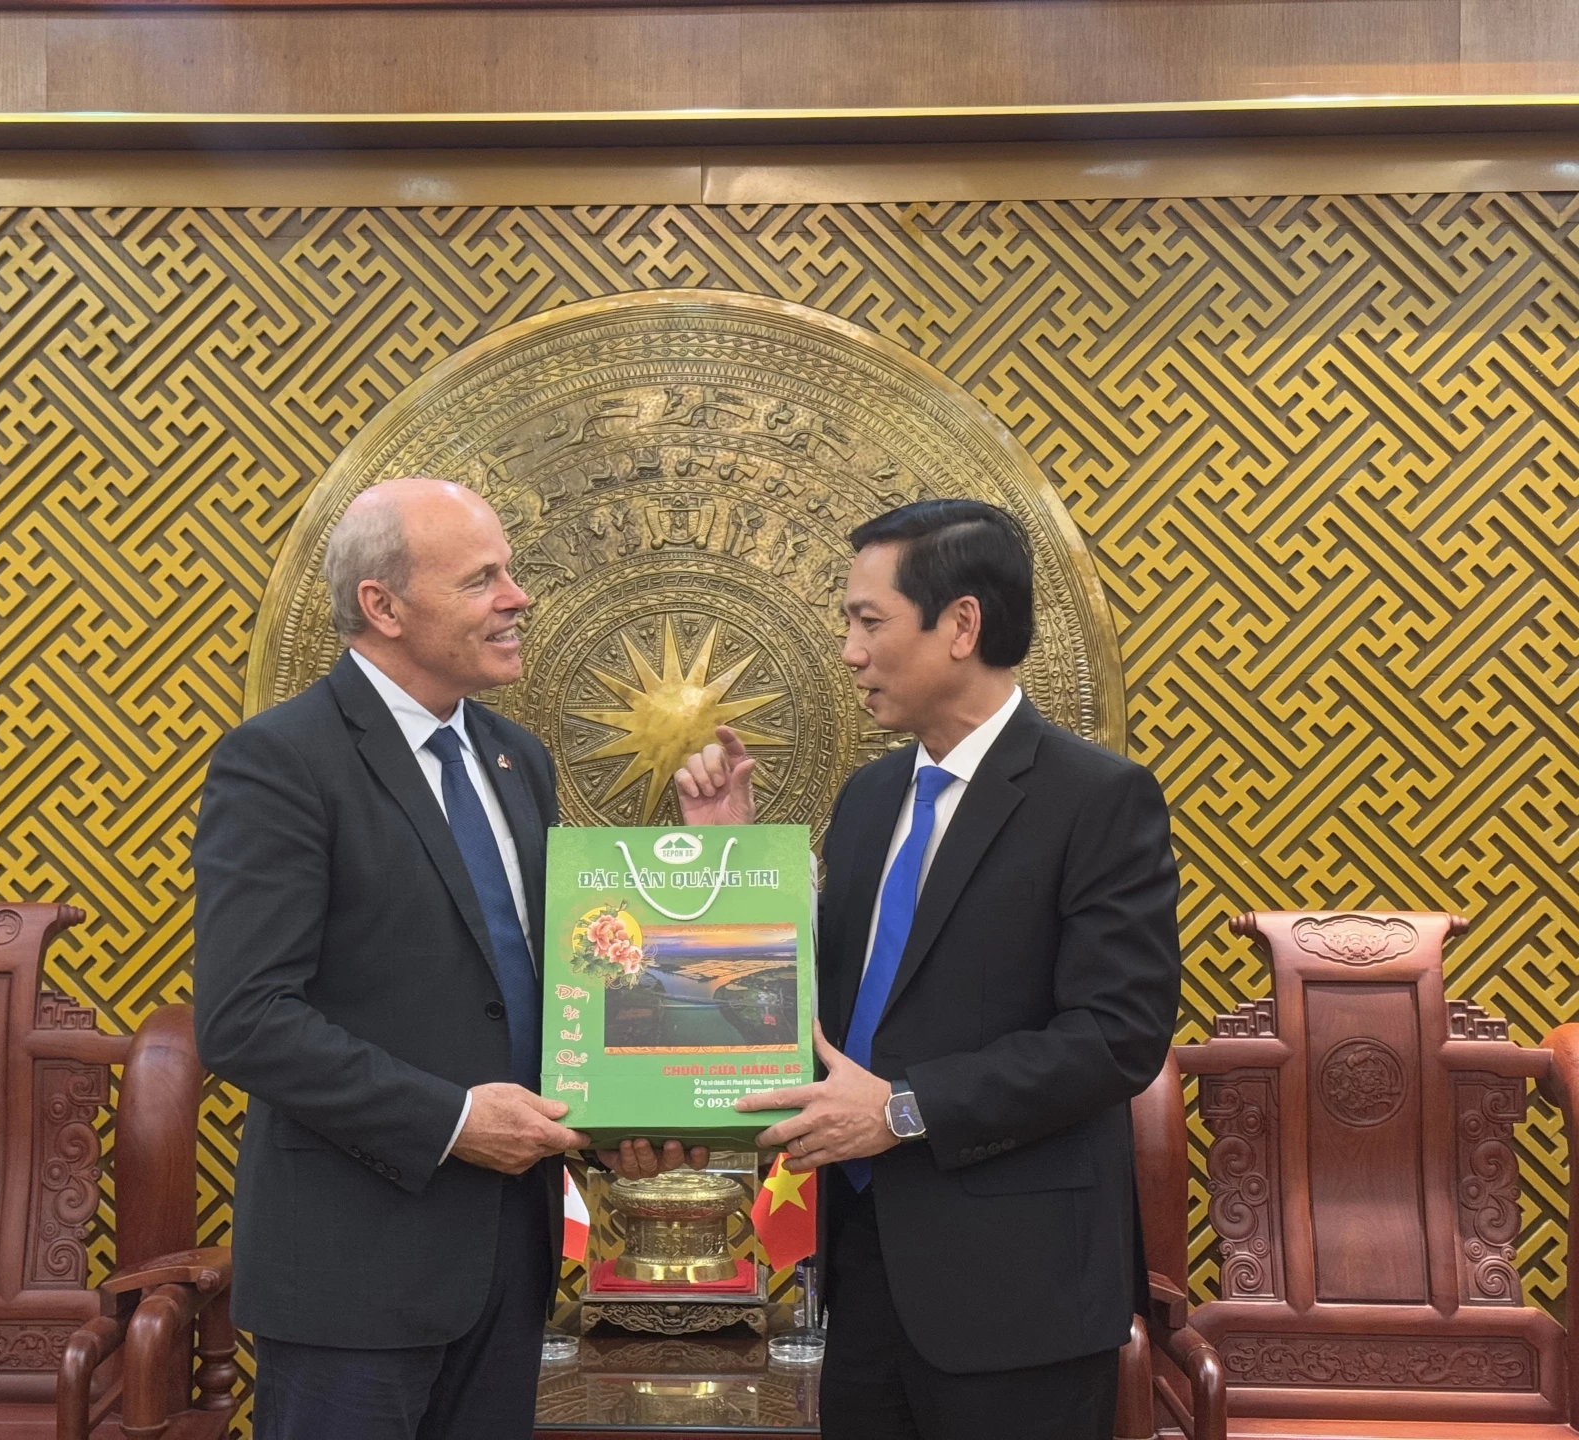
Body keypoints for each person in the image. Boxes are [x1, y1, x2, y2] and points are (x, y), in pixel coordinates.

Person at [193, 478, 698, 1440]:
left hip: (509, 1255)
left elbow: (551, 983)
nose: (518, 597)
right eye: (482, 580)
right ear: (383, 606)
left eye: (510, 572)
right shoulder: (283, 760)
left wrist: (628, 1110)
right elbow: (244, 1020)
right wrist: (453, 1120)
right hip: (354, 1269)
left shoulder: (516, 758)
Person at [676, 499, 1182, 1440]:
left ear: (961, 625)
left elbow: (1117, 1036)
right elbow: (823, 1003)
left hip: (1019, 1290)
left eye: (869, 622)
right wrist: (731, 862)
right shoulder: (871, 798)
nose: (849, 652)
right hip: (864, 1272)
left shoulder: (1096, 798)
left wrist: (905, 1110)